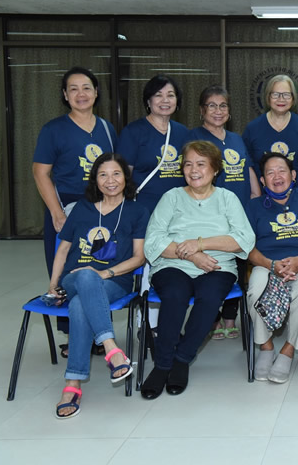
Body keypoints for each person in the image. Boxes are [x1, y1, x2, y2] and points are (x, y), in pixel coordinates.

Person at [140, 140, 255, 399]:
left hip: (217, 266)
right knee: (174, 295)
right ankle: (162, 365)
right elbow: (153, 241)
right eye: (188, 164)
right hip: (172, 264)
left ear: (215, 170)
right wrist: (193, 255)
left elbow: (244, 240)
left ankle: (181, 359)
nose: (194, 170)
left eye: (201, 164)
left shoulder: (228, 199)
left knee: (210, 297)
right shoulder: (171, 198)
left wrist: (201, 244)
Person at [47, 153, 148, 418]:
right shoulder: (82, 207)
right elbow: (63, 249)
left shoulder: (137, 210)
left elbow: (140, 257)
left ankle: (73, 383)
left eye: (116, 174)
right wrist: (52, 284)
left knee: (81, 302)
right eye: (102, 175)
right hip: (74, 278)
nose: (110, 180)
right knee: (84, 277)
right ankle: (111, 348)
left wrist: (106, 273)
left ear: (125, 178)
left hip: (117, 280)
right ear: (95, 179)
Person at [33, 67, 118, 340]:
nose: (81, 94)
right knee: (69, 269)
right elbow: (40, 172)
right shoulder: (53, 129)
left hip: (101, 207)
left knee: (98, 267)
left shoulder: (106, 128)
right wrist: (56, 213)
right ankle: (73, 336)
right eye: (73, 88)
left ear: (96, 92)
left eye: (86, 88)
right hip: (67, 207)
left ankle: (96, 331)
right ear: (65, 95)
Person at [190, 85, 261, 340]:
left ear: (229, 112)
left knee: (240, 262)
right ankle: (213, 316)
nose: (218, 111)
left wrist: (256, 197)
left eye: (223, 106)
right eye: (212, 105)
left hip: (239, 211)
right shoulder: (195, 139)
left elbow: (247, 169)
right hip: (209, 215)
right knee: (213, 264)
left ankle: (230, 316)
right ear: (201, 110)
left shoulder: (236, 139)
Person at [247, 152, 298, 383]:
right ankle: (266, 347)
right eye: (270, 172)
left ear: (293, 174)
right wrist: (271, 265)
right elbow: (246, 248)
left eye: (282, 170)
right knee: (255, 288)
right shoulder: (253, 206)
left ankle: (288, 349)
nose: (277, 176)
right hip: (268, 264)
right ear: (262, 180)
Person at [117, 75, 190, 213]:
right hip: (144, 210)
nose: (165, 100)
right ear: (148, 101)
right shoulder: (132, 132)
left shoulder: (184, 133)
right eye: (158, 95)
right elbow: (122, 177)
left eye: (170, 95)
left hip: (179, 210)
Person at [243, 74, 298, 185]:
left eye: (286, 95)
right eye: (275, 94)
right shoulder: (252, 129)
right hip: (263, 198)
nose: (281, 99)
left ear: (293, 98)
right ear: (268, 97)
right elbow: (247, 169)